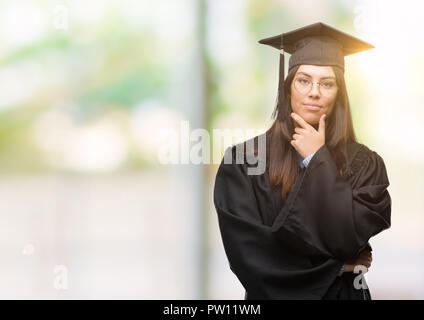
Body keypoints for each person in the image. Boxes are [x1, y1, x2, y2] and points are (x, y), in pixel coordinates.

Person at [213, 22, 392, 300]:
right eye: (304, 80)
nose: (314, 92)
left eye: (327, 83)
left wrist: (316, 159)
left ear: (339, 93)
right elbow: (250, 258)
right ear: (288, 88)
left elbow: (347, 238)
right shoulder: (243, 163)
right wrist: (336, 267)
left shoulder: (365, 164)